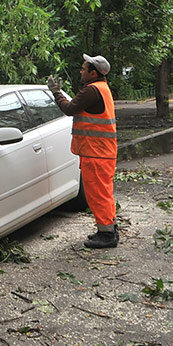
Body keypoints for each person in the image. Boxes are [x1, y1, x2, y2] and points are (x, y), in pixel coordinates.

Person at [46, 54, 118, 248]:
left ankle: (107, 234)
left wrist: (56, 93)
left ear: (93, 73)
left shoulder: (92, 90)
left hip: (95, 152)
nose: (81, 71)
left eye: (84, 68)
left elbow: (70, 109)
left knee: (97, 194)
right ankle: (109, 228)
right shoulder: (101, 88)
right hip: (102, 151)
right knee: (104, 192)